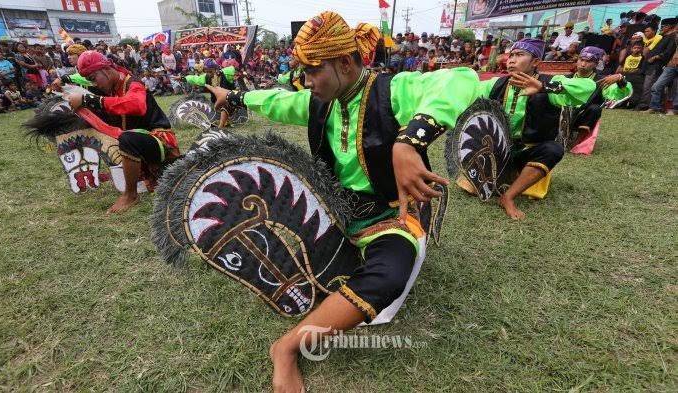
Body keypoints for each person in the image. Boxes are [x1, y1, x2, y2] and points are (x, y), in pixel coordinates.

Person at [207, 11, 480, 392]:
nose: (306, 82)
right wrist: (234, 95)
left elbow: (461, 78)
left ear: (346, 64)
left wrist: (410, 141)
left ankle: (286, 348)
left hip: (389, 215)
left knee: (389, 277)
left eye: (313, 71)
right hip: (334, 212)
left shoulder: (392, 91)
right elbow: (274, 100)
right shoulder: (320, 101)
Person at [475, 39, 596, 219]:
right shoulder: (496, 83)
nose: (512, 60)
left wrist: (544, 88)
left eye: (519, 55)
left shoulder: (549, 83)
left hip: (526, 152)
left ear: (535, 62)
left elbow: (588, 86)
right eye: (511, 55)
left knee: (553, 149)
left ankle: (508, 197)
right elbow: (469, 91)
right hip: (496, 150)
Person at [65, 51, 179, 213]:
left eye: (93, 78)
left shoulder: (133, 83)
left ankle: (130, 195)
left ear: (105, 69)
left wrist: (87, 100)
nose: (94, 84)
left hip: (161, 141)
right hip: (142, 143)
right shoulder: (112, 90)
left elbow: (137, 105)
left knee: (127, 138)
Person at [569, 46, 632, 139]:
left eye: (588, 61)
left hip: (581, 116)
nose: (583, 64)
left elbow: (619, 93)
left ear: (596, 64)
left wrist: (620, 79)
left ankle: (580, 138)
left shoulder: (602, 80)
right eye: (581, 60)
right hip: (560, 114)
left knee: (595, 108)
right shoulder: (567, 77)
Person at [645, 18, 677, 114]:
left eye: (663, 27)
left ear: (669, 27)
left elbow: (668, 51)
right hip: (671, 65)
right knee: (657, 86)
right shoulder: (670, 36)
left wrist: (656, 57)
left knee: (675, 89)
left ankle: (675, 110)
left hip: (669, 65)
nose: (661, 29)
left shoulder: (672, 35)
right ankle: (655, 107)